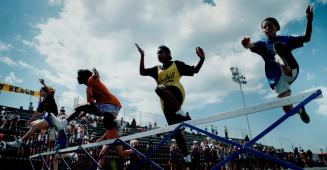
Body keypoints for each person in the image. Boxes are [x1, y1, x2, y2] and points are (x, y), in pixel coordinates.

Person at [241, 5, 313, 123]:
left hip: (291, 69)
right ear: (263, 30)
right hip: (278, 78)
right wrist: (245, 44)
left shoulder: (286, 39)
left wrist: (309, 20)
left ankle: (280, 58)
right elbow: (251, 45)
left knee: (277, 52)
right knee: (287, 109)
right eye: (265, 27)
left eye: (271, 25)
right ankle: (300, 111)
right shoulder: (262, 44)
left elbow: (306, 38)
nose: (268, 27)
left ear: (276, 27)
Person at [50, 68, 132, 169]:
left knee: (79, 106)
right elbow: (91, 104)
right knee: (107, 124)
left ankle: (63, 123)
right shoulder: (87, 89)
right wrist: (84, 112)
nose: (77, 77)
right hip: (105, 108)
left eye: (78, 75)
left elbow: (95, 78)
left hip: (111, 105)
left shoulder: (91, 80)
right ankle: (131, 150)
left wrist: (96, 75)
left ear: (85, 76)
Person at [136, 43, 205, 164]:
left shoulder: (176, 64)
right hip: (166, 104)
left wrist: (202, 59)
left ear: (168, 54)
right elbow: (142, 72)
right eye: (157, 53)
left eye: (160, 52)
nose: (158, 54)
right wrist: (142, 55)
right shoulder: (156, 69)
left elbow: (195, 70)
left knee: (159, 88)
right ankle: (188, 159)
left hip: (176, 92)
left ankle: (182, 114)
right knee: (176, 131)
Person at [7, 79, 58, 147]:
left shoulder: (49, 97)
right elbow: (36, 113)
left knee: (35, 126)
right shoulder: (42, 103)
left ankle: (20, 142)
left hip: (53, 118)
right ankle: (27, 138)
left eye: (41, 91)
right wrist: (29, 121)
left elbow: (50, 92)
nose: (39, 92)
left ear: (45, 91)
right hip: (48, 118)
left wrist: (43, 84)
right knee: (32, 124)